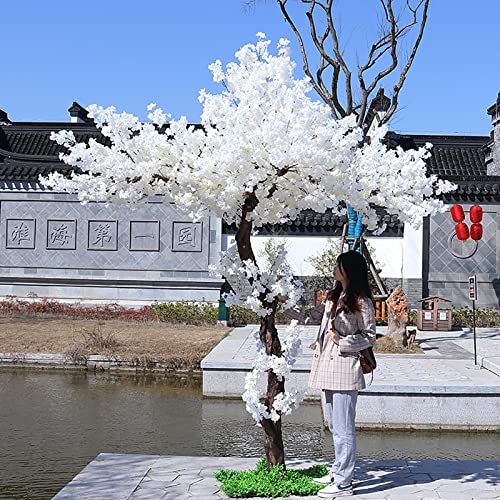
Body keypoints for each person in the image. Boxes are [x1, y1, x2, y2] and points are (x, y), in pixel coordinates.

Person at [308, 250, 376, 498]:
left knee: (344, 428)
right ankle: (338, 470)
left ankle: (344, 482)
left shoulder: (361, 301)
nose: (334, 269)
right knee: (335, 426)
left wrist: (342, 340)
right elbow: (313, 318)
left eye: (338, 265)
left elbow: (369, 336)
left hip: (346, 367)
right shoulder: (333, 297)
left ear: (348, 270)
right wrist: (282, 302)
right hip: (327, 366)